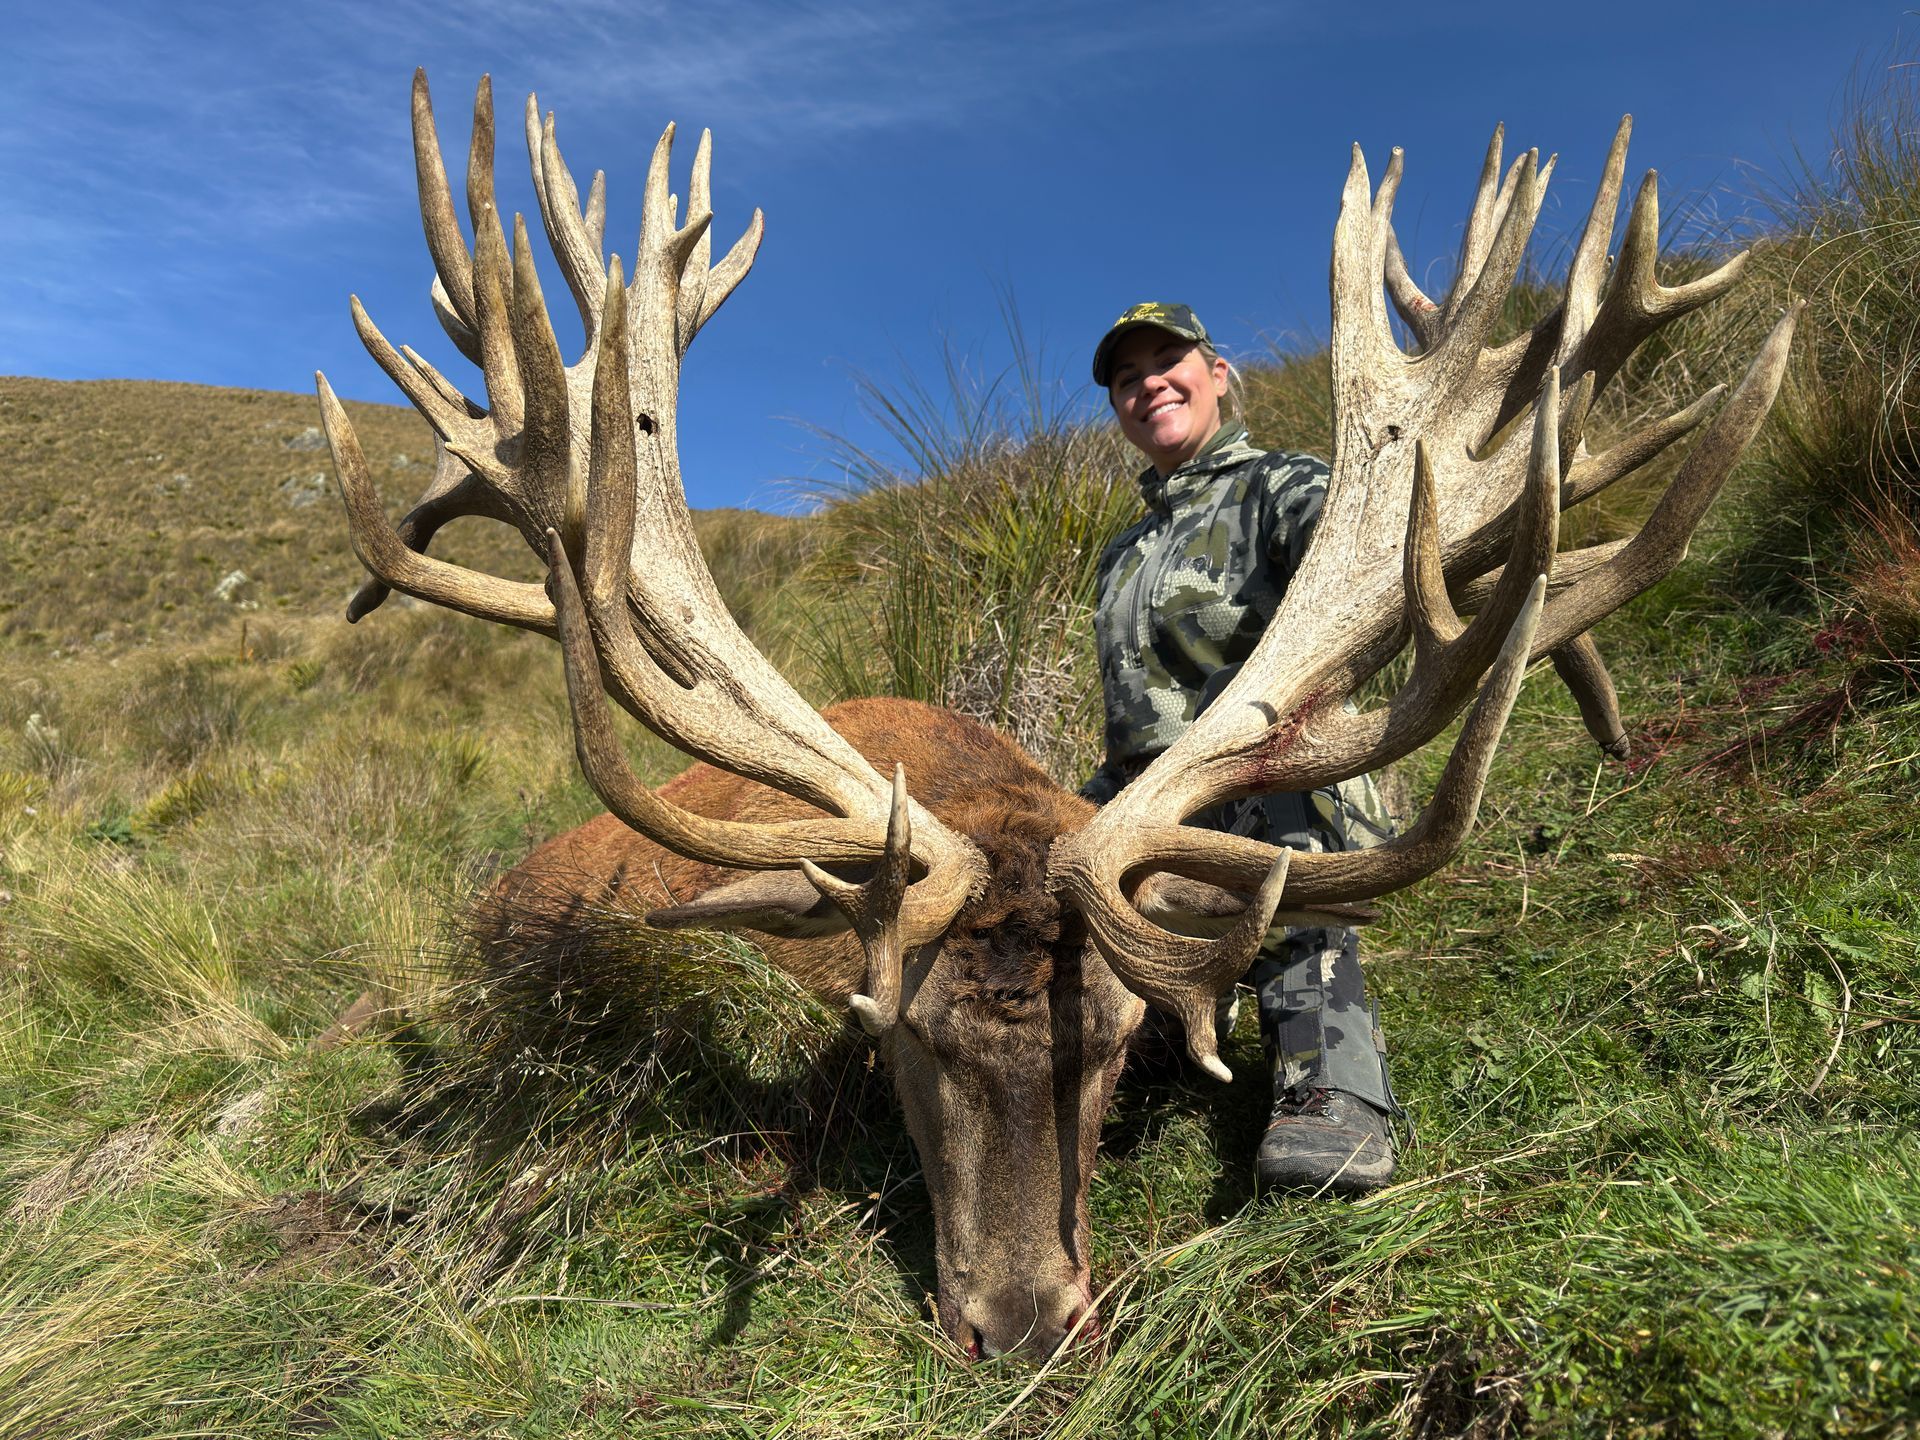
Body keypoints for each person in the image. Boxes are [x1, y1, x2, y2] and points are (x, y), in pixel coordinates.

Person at [1081, 302, 1401, 1195]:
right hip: (1151, 795)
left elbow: (1372, 559)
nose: (1147, 383)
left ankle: (1332, 1092)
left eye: (1166, 360)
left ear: (1216, 374)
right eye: (1124, 377)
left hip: (1277, 774)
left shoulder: (1285, 488)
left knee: (1274, 832)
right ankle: (1133, 1054)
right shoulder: (1124, 552)